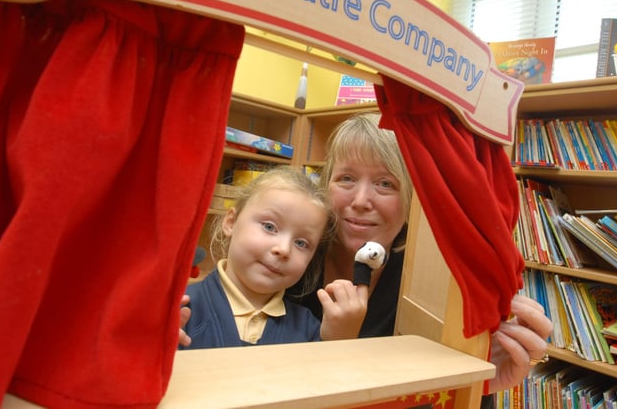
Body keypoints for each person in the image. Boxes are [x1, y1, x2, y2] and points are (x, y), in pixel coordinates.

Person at [180, 114, 552, 406]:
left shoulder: (430, 291)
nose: (360, 200)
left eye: (386, 183)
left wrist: (480, 377)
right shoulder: (286, 267)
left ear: (412, 201)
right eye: (345, 178)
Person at [180, 165, 366, 349]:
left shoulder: (309, 329)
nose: (283, 249)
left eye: (301, 243)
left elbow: (328, 376)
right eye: (269, 227)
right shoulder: (180, 309)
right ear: (231, 222)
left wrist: (341, 340)